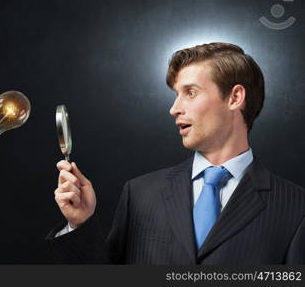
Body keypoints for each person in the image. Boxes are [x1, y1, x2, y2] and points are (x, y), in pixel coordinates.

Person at [45, 42, 305, 264]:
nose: (174, 108)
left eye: (190, 93)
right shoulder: (139, 195)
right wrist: (80, 224)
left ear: (235, 97)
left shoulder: (296, 207)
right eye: (176, 95)